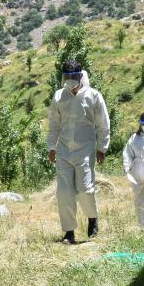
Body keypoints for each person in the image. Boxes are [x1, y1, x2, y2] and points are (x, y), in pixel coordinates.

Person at [47, 59, 110, 244]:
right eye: (67, 77)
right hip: (64, 151)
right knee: (64, 193)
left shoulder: (93, 96)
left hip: (85, 149)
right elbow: (53, 124)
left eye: (73, 76)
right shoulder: (59, 96)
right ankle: (69, 232)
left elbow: (103, 124)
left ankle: (92, 218)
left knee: (85, 190)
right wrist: (51, 147)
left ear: (80, 75)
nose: (70, 80)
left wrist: (102, 148)